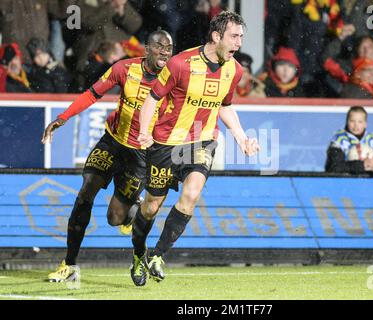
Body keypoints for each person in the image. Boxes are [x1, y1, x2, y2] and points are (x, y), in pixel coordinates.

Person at [131, 11, 260, 286]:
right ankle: (138, 253)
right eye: (234, 36)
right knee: (151, 207)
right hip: (166, 142)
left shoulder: (234, 70)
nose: (238, 43)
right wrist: (143, 131)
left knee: (191, 194)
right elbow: (153, 99)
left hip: (202, 140)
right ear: (216, 36)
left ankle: (157, 255)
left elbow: (225, 106)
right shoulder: (181, 64)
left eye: (241, 37)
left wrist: (242, 138)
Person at [42, 30, 174, 283]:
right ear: (146, 49)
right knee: (86, 192)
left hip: (140, 155)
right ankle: (69, 264)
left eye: (169, 48)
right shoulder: (124, 69)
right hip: (112, 142)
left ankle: (133, 213)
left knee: (115, 218)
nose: (165, 51)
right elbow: (93, 93)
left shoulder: (173, 79)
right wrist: (63, 118)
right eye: (159, 46)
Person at [325, 106, 373, 176]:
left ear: (365, 124)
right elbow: (334, 168)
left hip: (366, 184)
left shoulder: (370, 140)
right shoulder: (339, 139)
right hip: (344, 183)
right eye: (352, 121)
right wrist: (361, 166)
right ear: (347, 122)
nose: (356, 125)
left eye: (360, 122)